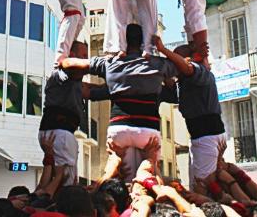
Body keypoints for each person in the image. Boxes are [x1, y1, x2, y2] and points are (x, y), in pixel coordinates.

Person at [60, 24, 193, 182]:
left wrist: (61, 61)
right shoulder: (157, 63)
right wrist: (162, 50)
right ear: (144, 42)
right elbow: (187, 68)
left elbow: (68, 63)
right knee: (150, 177)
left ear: (122, 41)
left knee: (124, 180)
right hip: (148, 129)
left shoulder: (109, 63)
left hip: (119, 129)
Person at [158, 41, 226, 191]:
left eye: (175, 61)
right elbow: (171, 92)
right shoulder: (184, 83)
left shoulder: (199, 72)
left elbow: (187, 68)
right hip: (204, 137)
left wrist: (163, 50)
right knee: (204, 184)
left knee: (203, 186)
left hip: (206, 137)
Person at [38, 40, 88, 186]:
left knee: (57, 177)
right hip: (60, 131)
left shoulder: (73, 81)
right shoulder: (62, 72)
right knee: (68, 183)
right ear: (72, 56)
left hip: (54, 131)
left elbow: (89, 90)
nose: (86, 61)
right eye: (83, 56)